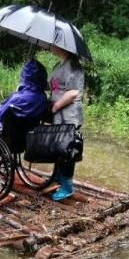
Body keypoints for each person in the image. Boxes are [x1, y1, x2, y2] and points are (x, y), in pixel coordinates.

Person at [48, 45, 85, 201]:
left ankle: (67, 187)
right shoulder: (60, 64)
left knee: (67, 150)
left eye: (54, 44)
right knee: (59, 149)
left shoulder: (73, 66)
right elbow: (53, 85)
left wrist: (56, 106)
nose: (51, 46)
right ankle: (57, 179)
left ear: (64, 47)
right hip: (59, 116)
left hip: (69, 116)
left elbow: (73, 92)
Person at [0, 58, 49, 153]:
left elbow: (0, 115)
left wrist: (18, 92)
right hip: (25, 141)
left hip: (8, 139)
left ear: (25, 76)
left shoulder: (17, 98)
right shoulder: (43, 99)